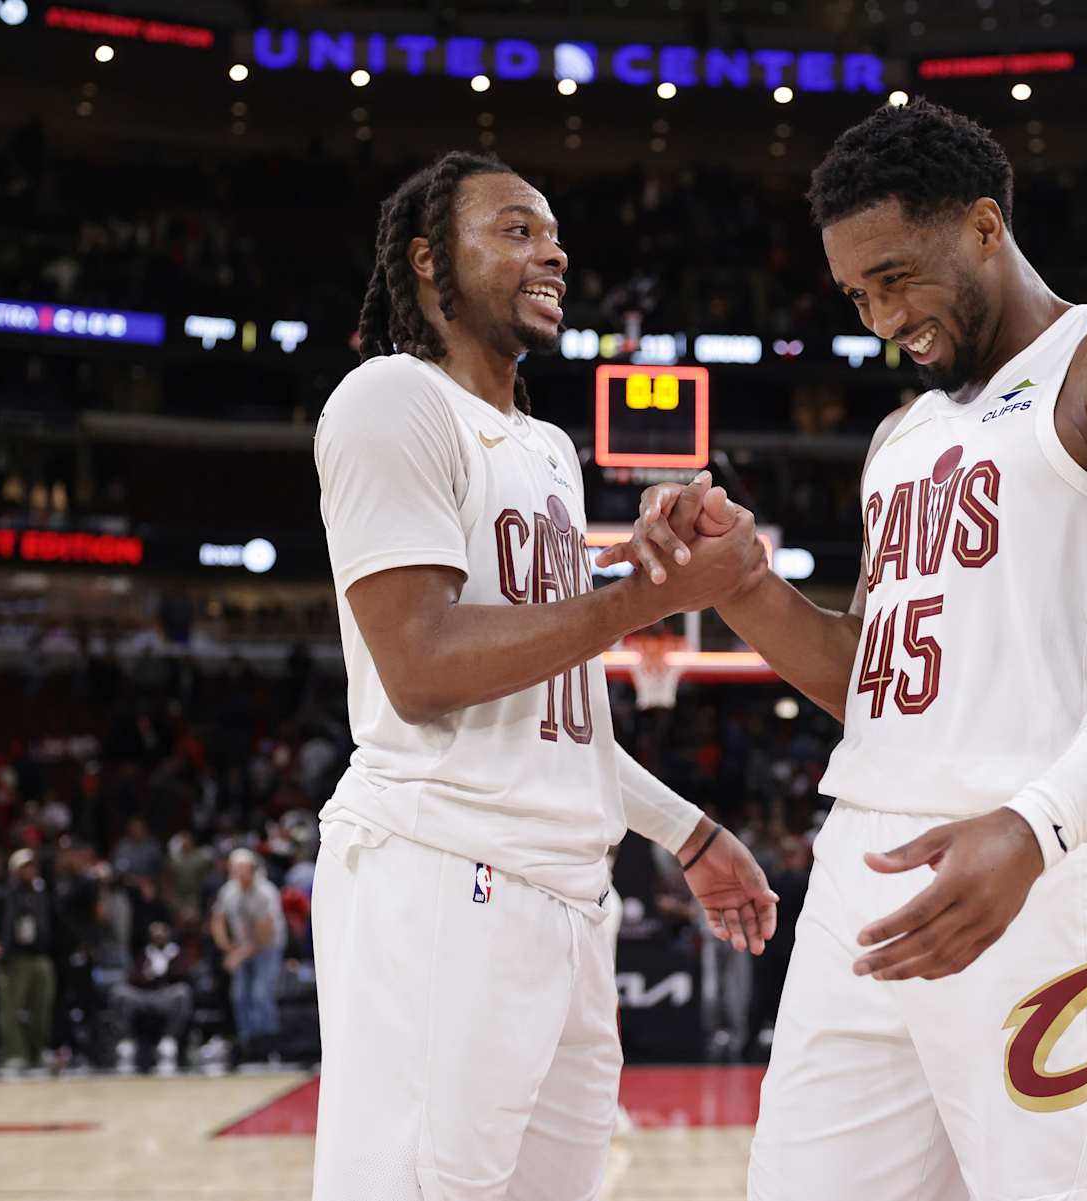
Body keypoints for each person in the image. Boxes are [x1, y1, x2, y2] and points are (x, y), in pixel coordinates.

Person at [607, 99, 1087, 1200]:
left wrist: (1038, 827)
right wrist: (742, 582)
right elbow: (876, 681)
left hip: (1044, 864)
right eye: (858, 295)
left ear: (986, 226)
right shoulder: (901, 436)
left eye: (896, 277)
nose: (882, 318)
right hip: (864, 871)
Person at [309, 150, 779, 1201]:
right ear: (428, 261)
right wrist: (645, 598)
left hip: (571, 894)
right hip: (444, 870)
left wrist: (689, 833)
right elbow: (421, 665)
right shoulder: (391, 399)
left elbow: (559, 717)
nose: (553, 251)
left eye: (556, 234)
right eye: (517, 230)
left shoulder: (550, 450)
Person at [210, 848, 284, 1061]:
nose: (239, 874)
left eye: (243, 869)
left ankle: (268, 1044)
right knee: (239, 995)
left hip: (268, 948)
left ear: (253, 869)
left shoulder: (266, 893)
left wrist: (239, 955)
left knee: (261, 994)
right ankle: (247, 1044)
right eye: (235, 869)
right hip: (241, 947)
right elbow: (217, 920)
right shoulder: (228, 891)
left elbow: (265, 933)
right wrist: (226, 946)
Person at [0, 848, 57, 1072]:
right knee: (11, 1009)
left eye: (32, 865)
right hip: (16, 958)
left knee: (42, 1007)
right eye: (24, 867)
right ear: (14, 870)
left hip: (40, 956)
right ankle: (15, 1053)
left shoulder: (41, 894)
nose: (30, 870)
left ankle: (37, 1051)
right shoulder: (4, 895)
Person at [109, 919, 194, 1073]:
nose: (158, 937)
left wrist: (166, 968)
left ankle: (168, 1041)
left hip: (166, 995)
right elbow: (132, 977)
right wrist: (148, 974)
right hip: (144, 995)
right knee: (119, 992)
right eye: (155, 934)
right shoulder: (144, 953)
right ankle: (126, 1042)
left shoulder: (175, 953)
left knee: (183, 992)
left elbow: (185, 975)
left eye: (161, 933)